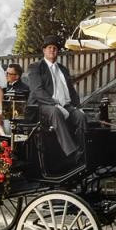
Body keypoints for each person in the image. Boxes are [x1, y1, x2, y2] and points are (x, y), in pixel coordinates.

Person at [26, 35, 87, 166]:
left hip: (65, 105)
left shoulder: (63, 69)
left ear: (58, 51)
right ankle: (71, 152)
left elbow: (71, 91)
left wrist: (78, 106)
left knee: (80, 117)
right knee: (56, 112)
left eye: (55, 48)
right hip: (43, 106)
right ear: (44, 50)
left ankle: (83, 152)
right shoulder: (35, 67)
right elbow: (37, 91)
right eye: (49, 48)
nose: (52, 50)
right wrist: (55, 103)